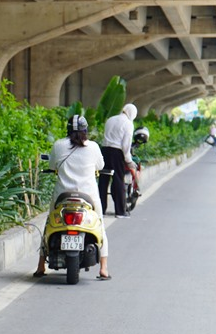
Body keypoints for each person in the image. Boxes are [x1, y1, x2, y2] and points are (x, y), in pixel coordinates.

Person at [34, 115, 111, 280]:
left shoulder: (58, 145)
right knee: (99, 224)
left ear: (68, 130)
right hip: (88, 196)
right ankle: (103, 268)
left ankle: (41, 265)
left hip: (63, 195)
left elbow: (52, 165)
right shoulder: (93, 147)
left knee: (49, 223)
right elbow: (101, 166)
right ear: (85, 130)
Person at [98, 103, 138, 217]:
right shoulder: (128, 124)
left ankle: (101, 210)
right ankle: (120, 211)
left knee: (103, 181)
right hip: (117, 153)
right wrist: (129, 160)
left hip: (104, 151)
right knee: (118, 181)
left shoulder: (110, 119)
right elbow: (126, 145)